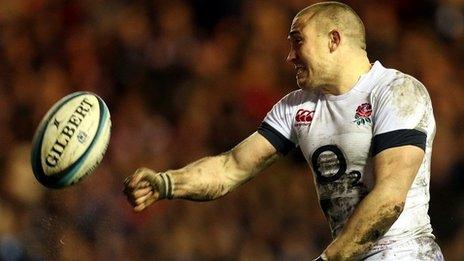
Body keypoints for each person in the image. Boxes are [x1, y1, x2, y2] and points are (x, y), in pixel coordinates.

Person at [123, 2, 444, 260]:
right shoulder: (296, 108)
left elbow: (389, 199)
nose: (289, 56)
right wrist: (166, 183)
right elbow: (229, 168)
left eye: (297, 42)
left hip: (405, 252)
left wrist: (330, 258)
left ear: (334, 40)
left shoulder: (397, 91)